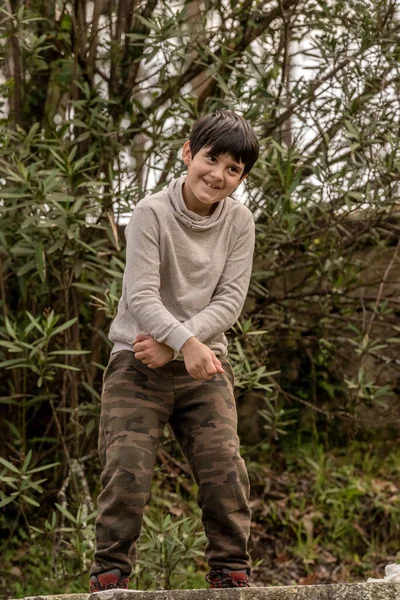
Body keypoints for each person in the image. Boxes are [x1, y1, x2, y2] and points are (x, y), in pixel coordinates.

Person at [89, 109, 259, 591]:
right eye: (212, 159)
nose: (219, 175)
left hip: (201, 366)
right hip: (137, 362)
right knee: (126, 472)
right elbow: (141, 295)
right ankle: (110, 578)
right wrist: (178, 342)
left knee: (225, 470)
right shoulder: (151, 213)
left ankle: (230, 575)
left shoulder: (240, 222)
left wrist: (183, 346)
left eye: (234, 170)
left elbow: (230, 300)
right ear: (188, 153)